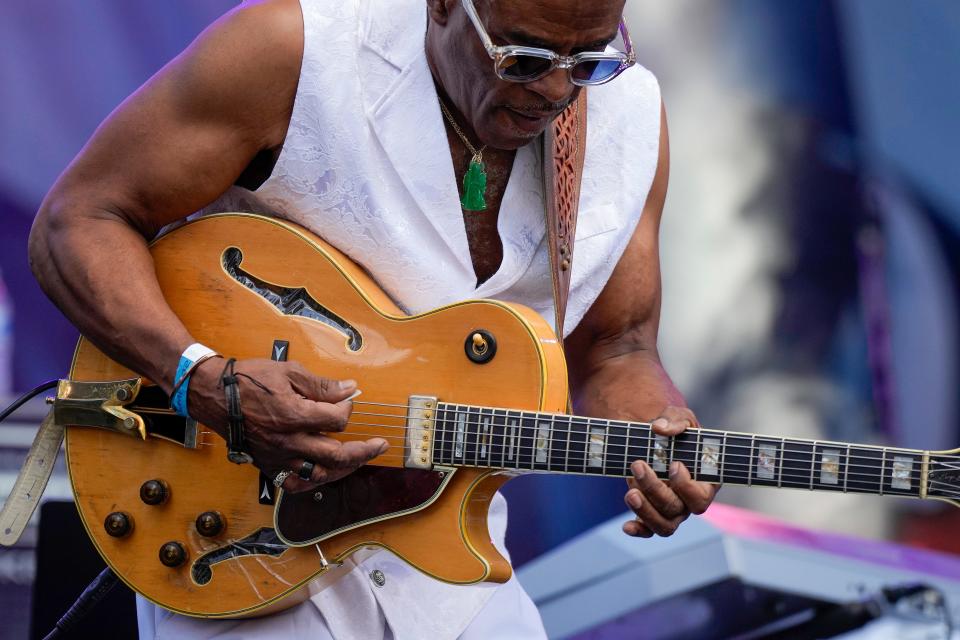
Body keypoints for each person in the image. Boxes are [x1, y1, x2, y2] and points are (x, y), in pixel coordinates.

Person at [28, 0, 718, 637]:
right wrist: (201, 378)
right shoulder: (294, 51)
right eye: (525, 60)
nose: (558, 92)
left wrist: (662, 442)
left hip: (452, 574)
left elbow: (617, 350)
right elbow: (78, 220)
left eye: (591, 59)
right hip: (241, 542)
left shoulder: (627, 119)